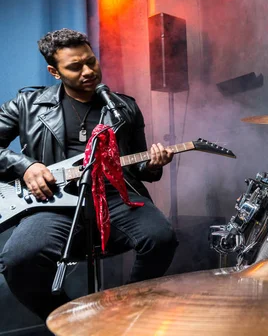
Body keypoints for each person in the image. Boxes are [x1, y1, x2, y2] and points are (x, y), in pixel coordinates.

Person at [0, 28, 179, 319]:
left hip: (116, 196)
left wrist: (152, 164)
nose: (88, 71)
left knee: (161, 238)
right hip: (54, 203)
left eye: (91, 62)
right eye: (74, 66)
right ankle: (67, 319)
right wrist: (27, 166)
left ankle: (128, 311)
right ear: (54, 71)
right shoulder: (26, 105)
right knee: (17, 259)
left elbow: (139, 168)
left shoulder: (123, 106)